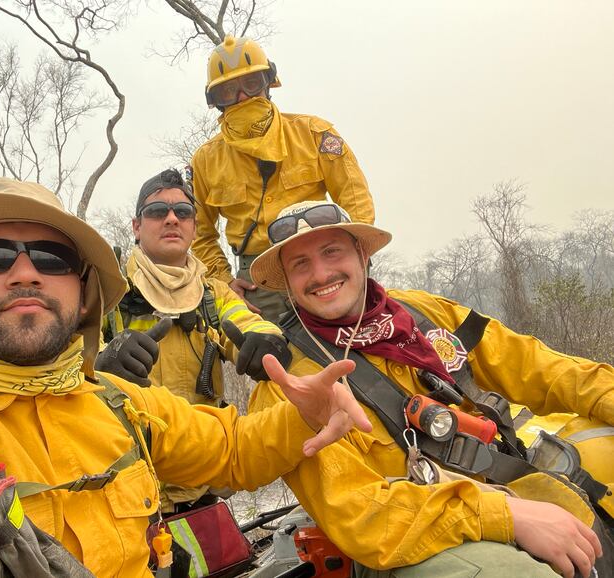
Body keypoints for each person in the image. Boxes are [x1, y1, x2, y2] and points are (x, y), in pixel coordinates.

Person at [0, 179, 371, 577]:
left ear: (81, 298)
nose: (25, 273)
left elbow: (233, 444)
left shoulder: (122, 402)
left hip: (195, 502)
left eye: (52, 259)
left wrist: (305, 407)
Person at [247, 200, 614, 578]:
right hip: (409, 540)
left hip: (505, 486)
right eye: (300, 264)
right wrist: (507, 515)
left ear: (361, 254)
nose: (321, 274)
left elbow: (540, 367)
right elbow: (365, 516)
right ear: (288, 283)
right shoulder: (289, 383)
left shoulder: (423, 313)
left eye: (331, 251)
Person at [96, 168, 292, 512]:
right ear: (137, 227)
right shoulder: (106, 292)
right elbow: (67, 359)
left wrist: (267, 341)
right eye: (157, 211)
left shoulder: (214, 294)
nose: (171, 218)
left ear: (194, 227)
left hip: (200, 485)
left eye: (182, 212)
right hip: (124, 492)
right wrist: (100, 365)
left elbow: (248, 322)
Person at [190, 35, 376, 322]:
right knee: (272, 359)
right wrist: (223, 282)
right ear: (215, 101)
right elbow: (199, 232)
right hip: (256, 280)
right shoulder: (205, 160)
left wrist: (357, 256)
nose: (242, 97)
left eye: (250, 84)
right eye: (228, 91)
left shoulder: (315, 133)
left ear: (268, 83)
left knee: (353, 348)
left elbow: (355, 199)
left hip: (323, 260)